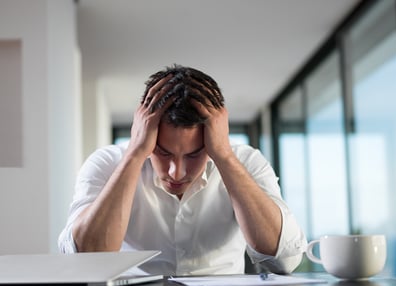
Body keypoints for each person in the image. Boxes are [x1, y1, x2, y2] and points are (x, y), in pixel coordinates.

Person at [58, 65, 307, 275]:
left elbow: (285, 260)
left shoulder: (247, 162)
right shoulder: (107, 164)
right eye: (163, 152)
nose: (176, 173)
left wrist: (224, 155)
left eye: (194, 154)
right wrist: (135, 153)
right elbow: (84, 260)